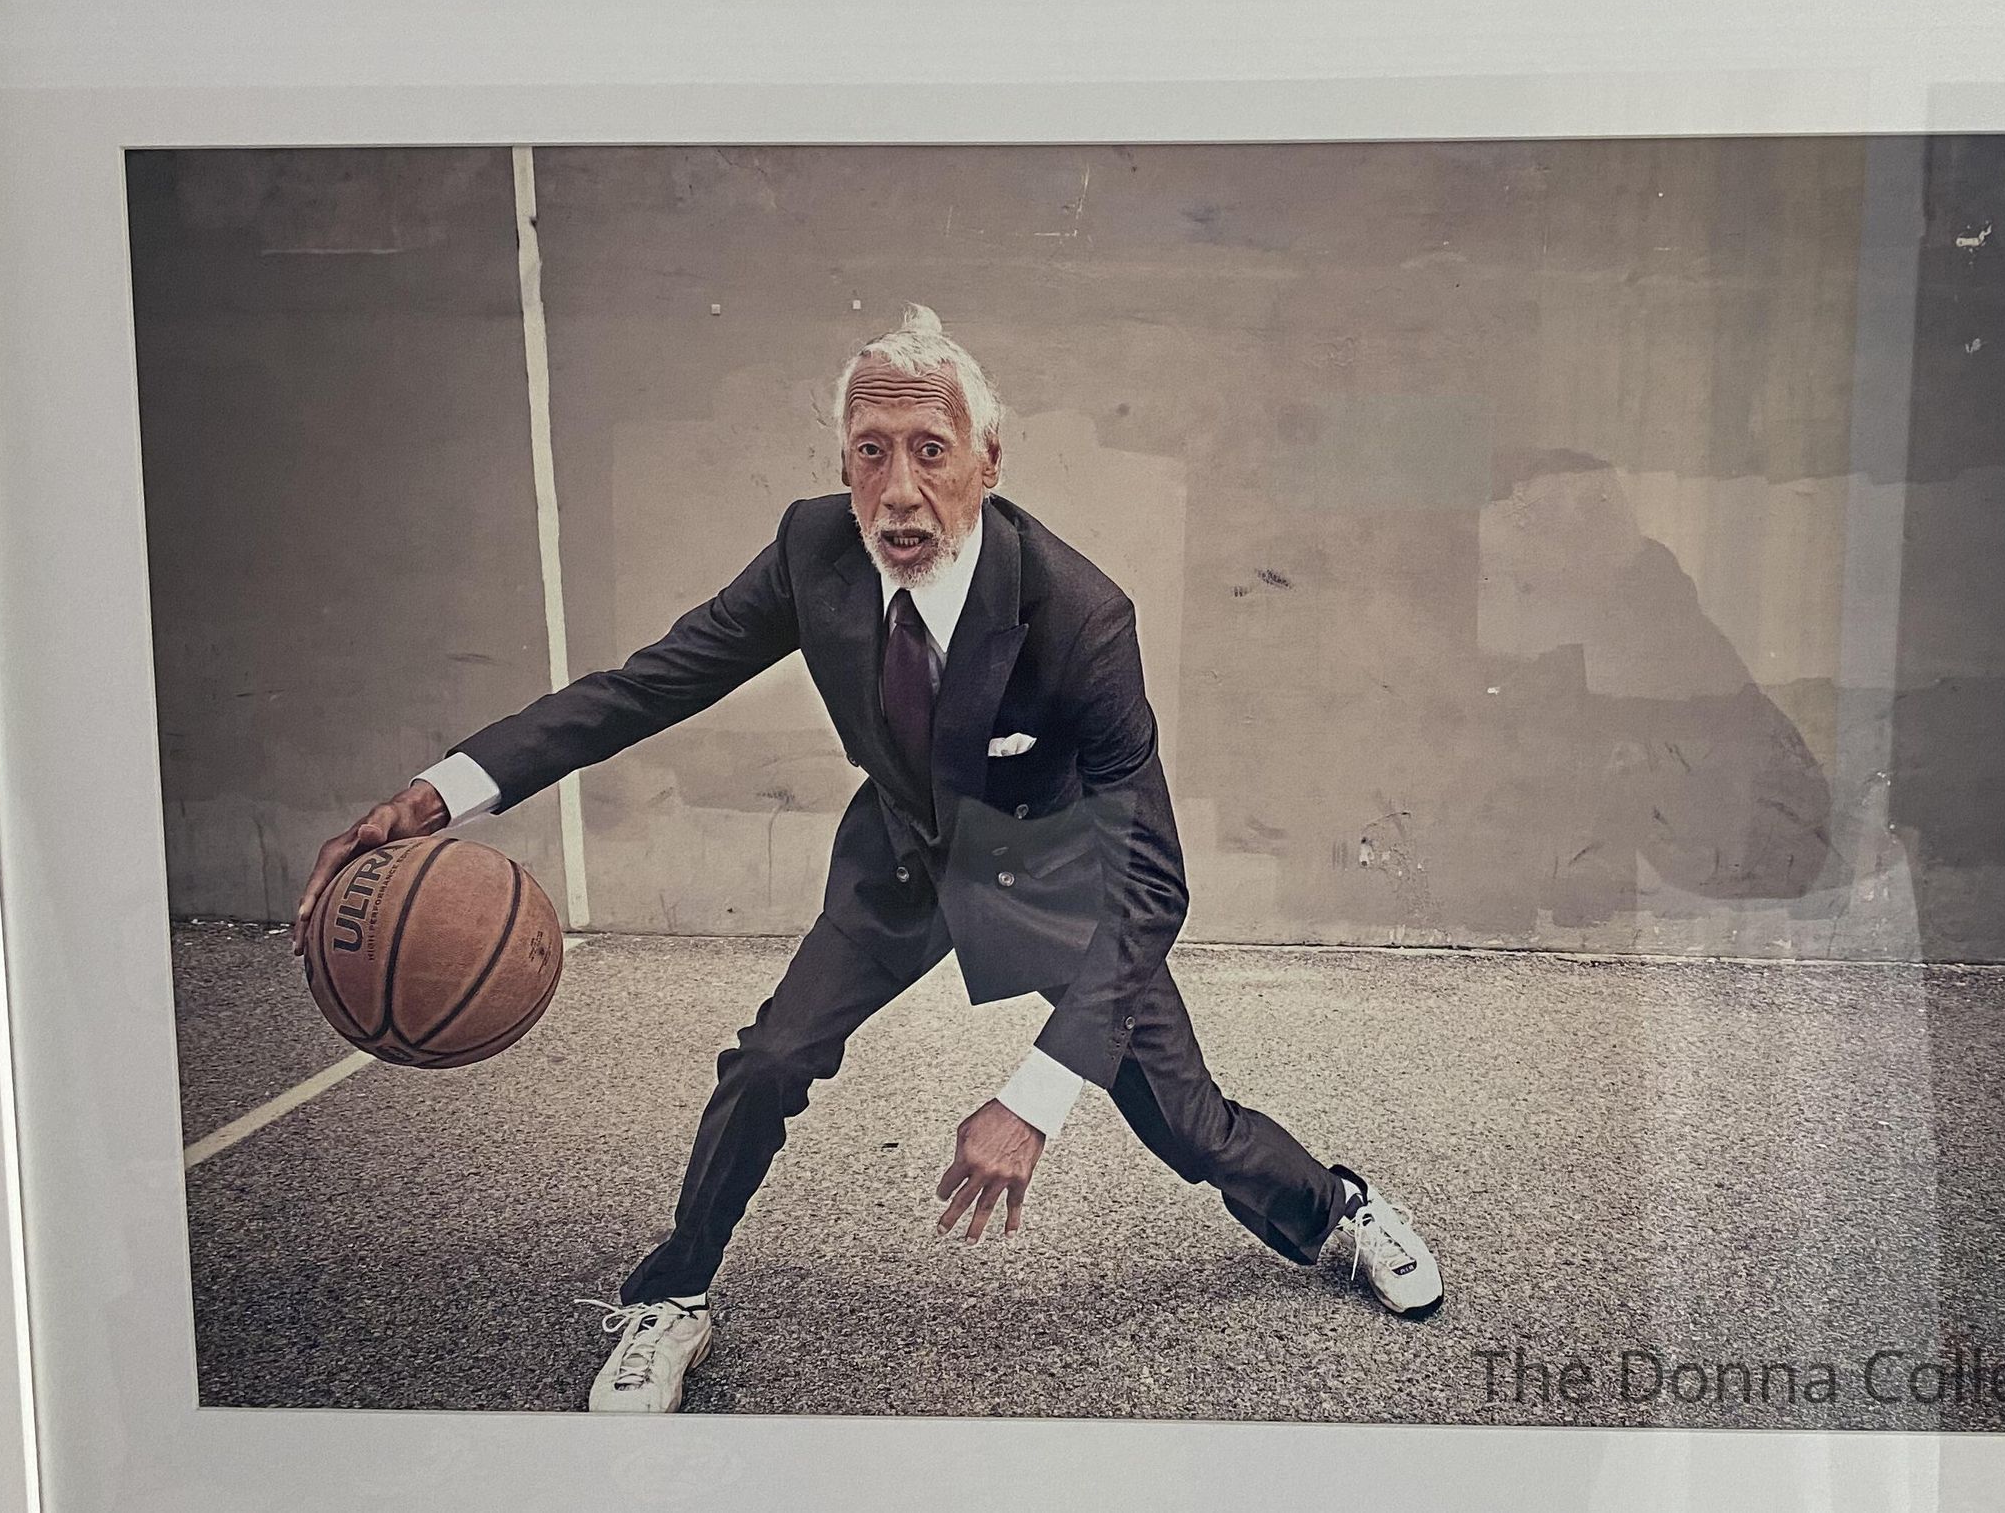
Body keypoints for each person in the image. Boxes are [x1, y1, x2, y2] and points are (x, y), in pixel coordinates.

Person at [296, 305, 1443, 1414]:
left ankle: (1334, 1208)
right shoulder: (813, 551)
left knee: (1186, 1124)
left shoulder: (1080, 616)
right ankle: (671, 1296)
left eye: (929, 450)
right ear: (843, 465)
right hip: (900, 860)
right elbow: (642, 688)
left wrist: (1032, 1099)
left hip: (1051, 875)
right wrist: (438, 792)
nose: (897, 487)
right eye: (869, 450)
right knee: (766, 1061)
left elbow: (1152, 879)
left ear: (987, 462)